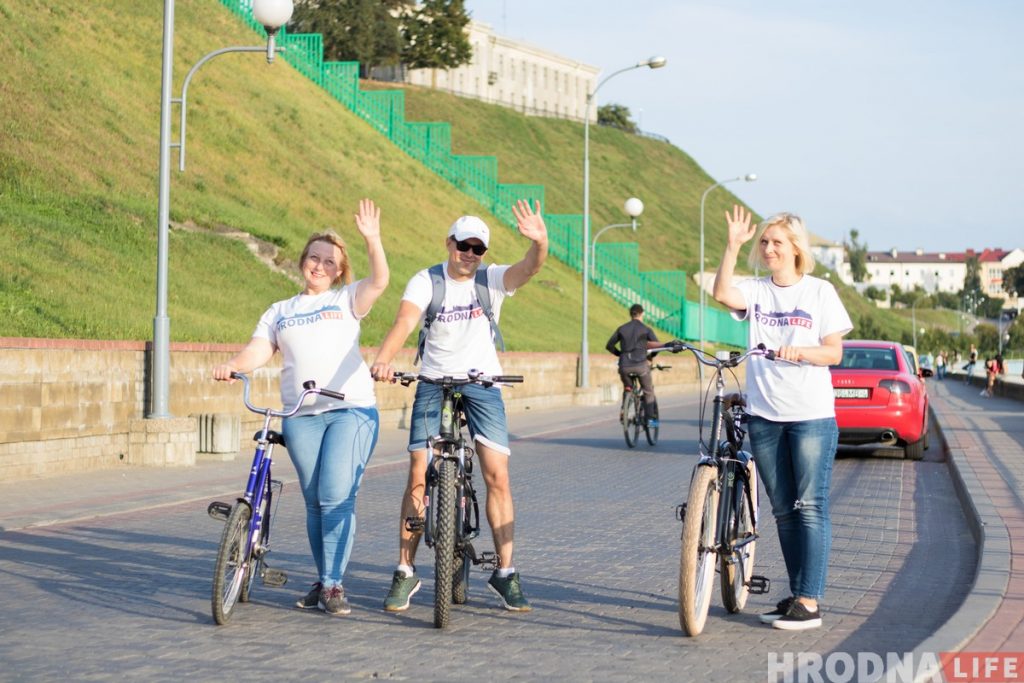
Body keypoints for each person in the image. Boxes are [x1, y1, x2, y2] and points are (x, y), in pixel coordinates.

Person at [212, 199, 389, 616]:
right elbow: (259, 350)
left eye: (330, 261)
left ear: (340, 271)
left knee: (334, 496)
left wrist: (372, 238)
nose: (320, 266)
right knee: (314, 501)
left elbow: (380, 280)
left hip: (351, 411)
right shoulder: (281, 311)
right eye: (314, 257)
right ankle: (324, 578)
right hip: (300, 417)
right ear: (302, 262)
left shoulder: (347, 300)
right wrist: (232, 366)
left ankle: (333, 585)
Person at [370, 199, 548, 613]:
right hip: (433, 381)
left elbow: (530, 267)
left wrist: (540, 242)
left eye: (477, 248)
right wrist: (384, 359)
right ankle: (404, 570)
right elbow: (404, 321)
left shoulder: (492, 279)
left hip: (483, 383)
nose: (469, 254)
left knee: (496, 475)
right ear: (449, 243)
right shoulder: (425, 280)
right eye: (463, 245)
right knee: (418, 471)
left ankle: (505, 573)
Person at [712, 205, 852, 631]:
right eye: (764, 242)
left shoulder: (819, 292)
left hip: (810, 416)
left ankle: (810, 601)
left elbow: (834, 352)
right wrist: (733, 245)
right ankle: (796, 595)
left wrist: (801, 352)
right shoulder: (756, 290)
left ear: (795, 248)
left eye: (776, 242)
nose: (768, 248)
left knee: (809, 506)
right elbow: (721, 293)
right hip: (765, 416)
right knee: (784, 511)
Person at [606, 304, 662, 426]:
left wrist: (620, 354)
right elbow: (657, 346)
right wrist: (650, 357)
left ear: (631, 314)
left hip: (624, 366)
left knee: (628, 387)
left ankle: (624, 410)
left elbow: (609, 346)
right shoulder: (646, 329)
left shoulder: (622, 328)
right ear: (642, 314)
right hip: (641, 365)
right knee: (648, 391)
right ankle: (650, 420)